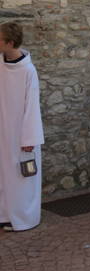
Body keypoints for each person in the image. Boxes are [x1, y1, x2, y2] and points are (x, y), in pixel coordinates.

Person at [0, 22, 44, 232]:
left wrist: (29, 139)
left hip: (20, 134)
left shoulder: (28, 70)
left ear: (10, 42)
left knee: (21, 177)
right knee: (3, 175)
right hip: (2, 131)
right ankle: (5, 214)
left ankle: (24, 217)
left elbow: (32, 106)